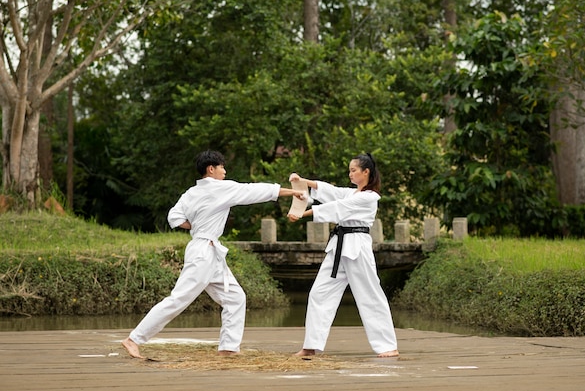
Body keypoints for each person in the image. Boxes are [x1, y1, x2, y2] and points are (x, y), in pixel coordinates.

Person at [122, 149, 306, 359]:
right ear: (211, 169)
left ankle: (228, 348)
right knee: (178, 299)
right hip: (203, 252)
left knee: (235, 298)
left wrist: (197, 225)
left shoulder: (190, 193)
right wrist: (291, 193)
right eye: (222, 167)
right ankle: (134, 339)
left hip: (207, 250)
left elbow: (174, 217)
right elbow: (255, 191)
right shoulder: (220, 188)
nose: (225, 171)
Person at [287, 153, 399, 358]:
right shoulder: (351, 193)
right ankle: (311, 346)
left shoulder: (370, 197)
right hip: (337, 247)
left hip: (357, 247)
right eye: (349, 170)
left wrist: (303, 214)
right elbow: (332, 192)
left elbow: (339, 208)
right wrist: (303, 182)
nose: (350, 174)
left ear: (366, 172)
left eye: (353, 170)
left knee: (370, 295)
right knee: (319, 294)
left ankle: (387, 346)